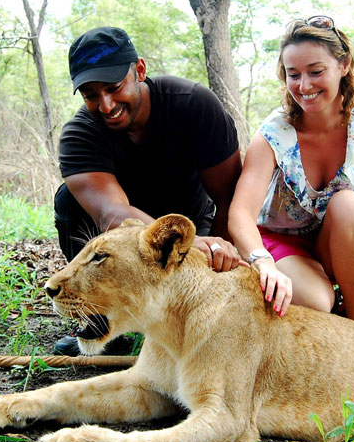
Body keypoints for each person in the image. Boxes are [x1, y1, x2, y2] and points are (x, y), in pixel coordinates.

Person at [53, 26, 243, 355]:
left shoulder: (194, 105)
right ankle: (101, 321)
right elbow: (112, 213)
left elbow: (230, 196)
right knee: (68, 201)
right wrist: (176, 239)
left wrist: (213, 254)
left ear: (139, 70)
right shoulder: (79, 134)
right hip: (127, 235)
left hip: (196, 227)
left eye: (114, 88)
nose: (106, 104)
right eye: (90, 95)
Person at [229, 16, 354, 324]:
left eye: (316, 72)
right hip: (281, 243)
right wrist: (261, 261)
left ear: (343, 65)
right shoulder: (273, 133)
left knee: (348, 202)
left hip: (340, 240)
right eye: (294, 75)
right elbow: (240, 213)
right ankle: (328, 302)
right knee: (319, 302)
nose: (304, 86)